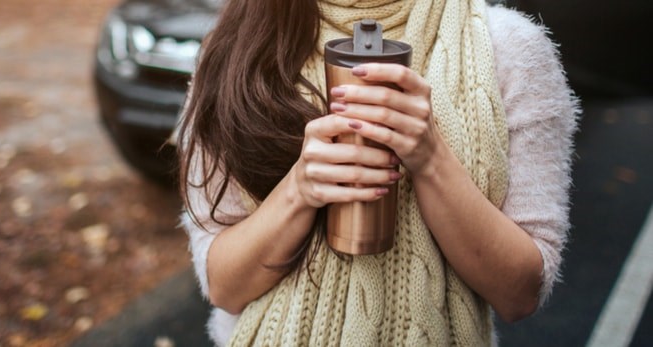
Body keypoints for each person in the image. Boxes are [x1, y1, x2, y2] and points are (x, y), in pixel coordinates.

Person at [175, 0, 579, 345]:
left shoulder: (510, 50)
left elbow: (519, 294)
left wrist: (430, 159)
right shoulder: (238, 46)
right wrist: (298, 191)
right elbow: (225, 286)